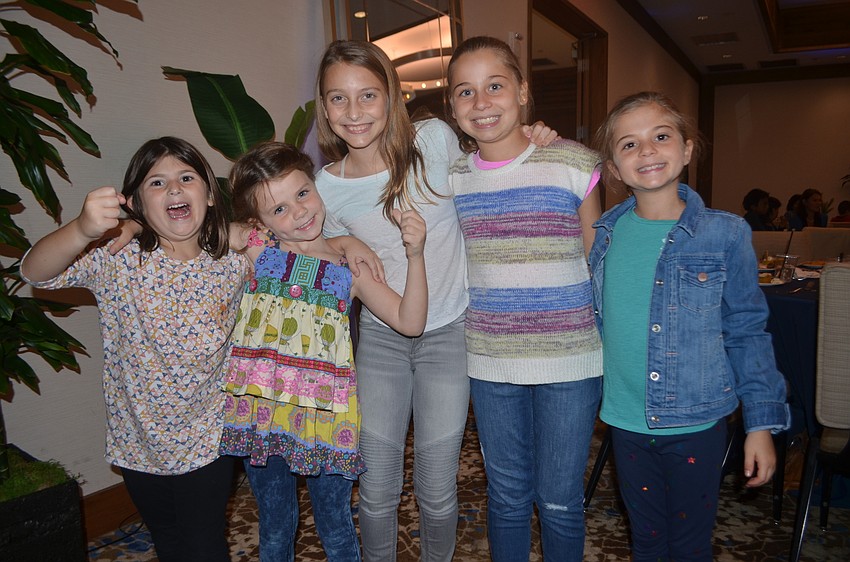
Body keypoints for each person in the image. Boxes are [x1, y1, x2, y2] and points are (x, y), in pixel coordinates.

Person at [313, 40, 556, 561]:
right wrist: (343, 241)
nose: (354, 112)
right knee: (377, 486)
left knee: (437, 485)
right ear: (324, 108)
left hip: (450, 332)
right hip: (381, 338)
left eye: (368, 95)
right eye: (338, 98)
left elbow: (490, 165)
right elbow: (302, 240)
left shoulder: (434, 140)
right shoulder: (325, 187)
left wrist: (533, 137)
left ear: (392, 96)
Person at [21, 137, 249, 562]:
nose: (174, 188)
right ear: (136, 204)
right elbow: (36, 273)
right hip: (138, 440)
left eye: (187, 177)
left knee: (204, 544)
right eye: (157, 182)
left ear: (209, 194)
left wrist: (242, 232)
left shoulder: (235, 263)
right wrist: (83, 228)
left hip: (209, 437)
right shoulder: (118, 259)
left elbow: (290, 240)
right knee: (167, 538)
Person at [588, 91, 790, 561]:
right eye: (629, 144)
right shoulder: (606, 236)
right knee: (646, 540)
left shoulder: (725, 233)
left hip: (696, 421)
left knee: (688, 545)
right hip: (625, 419)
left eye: (661, 137)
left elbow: (746, 330)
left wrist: (760, 423)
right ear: (614, 168)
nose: (647, 150)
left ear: (687, 150)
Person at [218, 141, 428, 561]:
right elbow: (191, 232)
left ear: (315, 186)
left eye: (302, 193)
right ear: (259, 221)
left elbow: (410, 322)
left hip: (326, 416)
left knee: (335, 524)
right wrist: (132, 228)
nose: (299, 212)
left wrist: (416, 255)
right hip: (265, 414)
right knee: (275, 525)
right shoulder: (259, 250)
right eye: (279, 209)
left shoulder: (349, 268)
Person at [445, 36, 603, 561]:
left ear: (523, 91)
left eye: (495, 86)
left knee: (559, 501)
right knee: (508, 497)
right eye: (465, 91)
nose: (481, 102)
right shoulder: (453, 179)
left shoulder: (573, 162)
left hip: (570, 359)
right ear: (452, 106)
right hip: (492, 361)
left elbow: (597, 262)